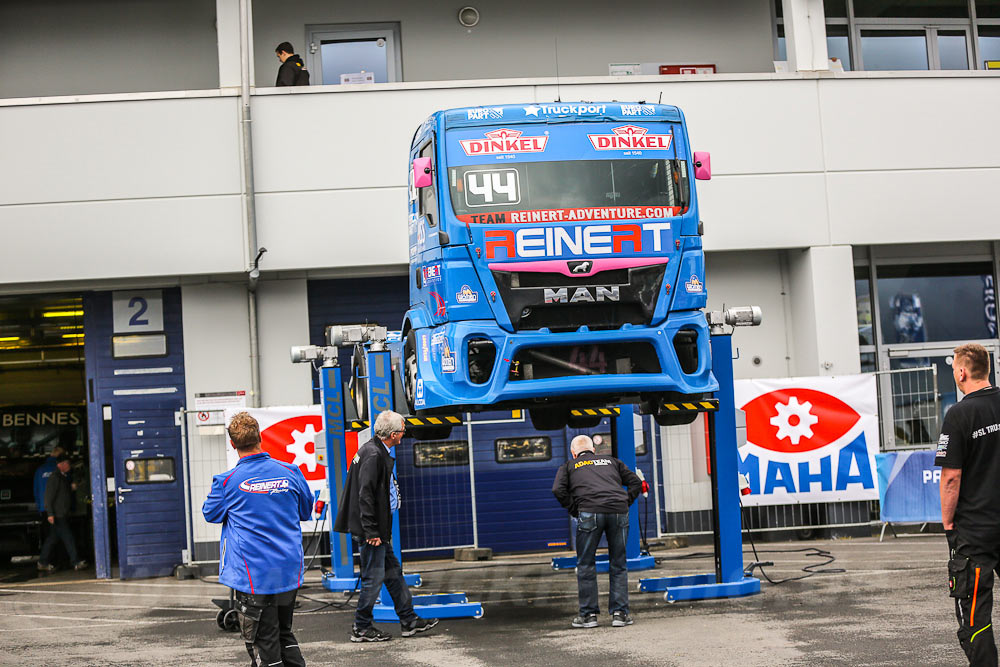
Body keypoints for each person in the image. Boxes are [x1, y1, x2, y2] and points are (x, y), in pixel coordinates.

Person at [203, 412, 313, 667]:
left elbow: (210, 513)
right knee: (283, 632)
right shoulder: (291, 471)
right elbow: (305, 510)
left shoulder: (227, 482)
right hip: (287, 569)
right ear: (260, 437)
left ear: (233, 444)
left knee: (263, 641)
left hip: (253, 575)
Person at [334, 410, 438, 642]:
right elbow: (366, 495)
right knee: (373, 578)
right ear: (393, 434)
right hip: (372, 532)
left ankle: (409, 620)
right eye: (402, 430)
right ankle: (361, 627)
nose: (404, 434)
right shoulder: (374, 456)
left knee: (392, 573)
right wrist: (371, 531)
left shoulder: (373, 450)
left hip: (377, 530)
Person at [937, 343, 1000, 666]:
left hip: (976, 532)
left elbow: (951, 478)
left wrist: (948, 525)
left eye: (954, 371)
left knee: (975, 616)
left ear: (962, 372)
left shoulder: (959, 414)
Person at [552, 434, 642, 629]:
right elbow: (635, 482)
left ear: (574, 453)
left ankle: (588, 616)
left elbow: (558, 490)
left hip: (589, 513)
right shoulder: (612, 461)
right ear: (593, 450)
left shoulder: (568, 466)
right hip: (618, 511)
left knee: (586, 564)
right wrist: (625, 501)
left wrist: (575, 509)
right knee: (618, 563)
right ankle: (620, 614)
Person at [39, 454, 87, 572]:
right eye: (67, 463)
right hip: (58, 514)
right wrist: (50, 513)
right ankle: (75, 561)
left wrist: (71, 488)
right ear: (61, 464)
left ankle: (42, 562)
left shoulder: (63, 477)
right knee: (68, 538)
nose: (69, 465)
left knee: (52, 539)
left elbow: (63, 493)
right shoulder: (55, 478)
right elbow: (48, 497)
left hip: (61, 514)